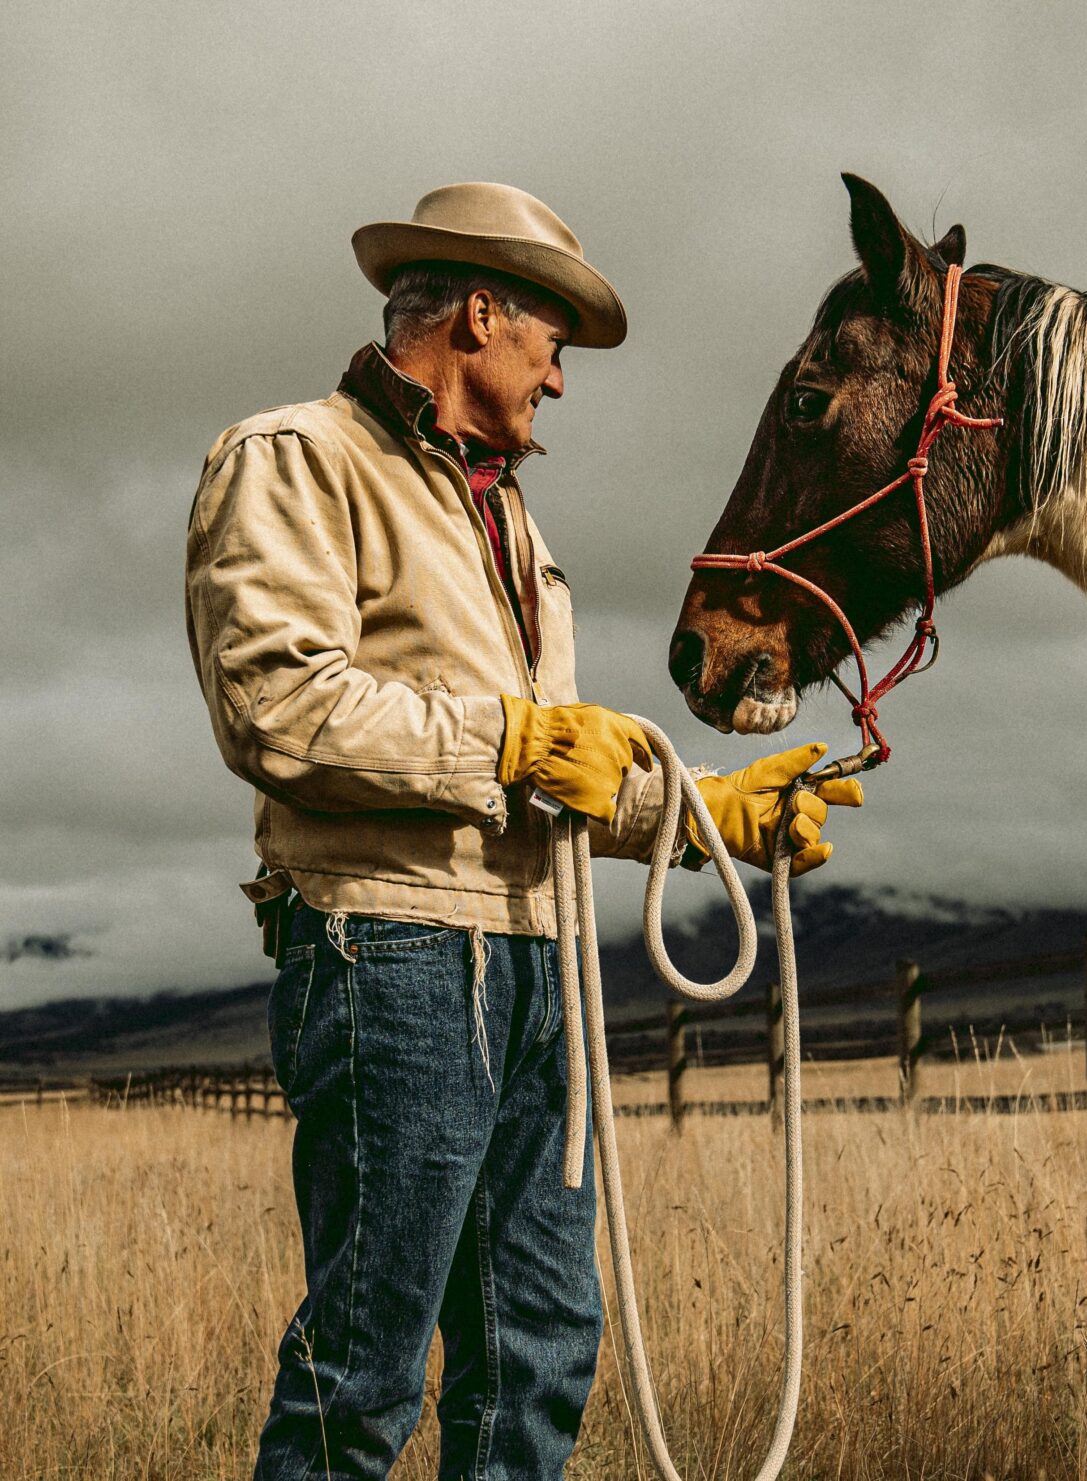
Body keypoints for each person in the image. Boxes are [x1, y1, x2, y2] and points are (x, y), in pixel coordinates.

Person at [182, 182, 861, 1480]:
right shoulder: (294, 459)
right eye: (553, 334)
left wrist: (712, 812)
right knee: (368, 1369)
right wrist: (509, 742)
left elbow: (551, 765)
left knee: (539, 1355)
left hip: (535, 964)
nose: (562, 373)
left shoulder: (507, 518)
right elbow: (275, 704)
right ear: (481, 313)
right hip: (393, 952)